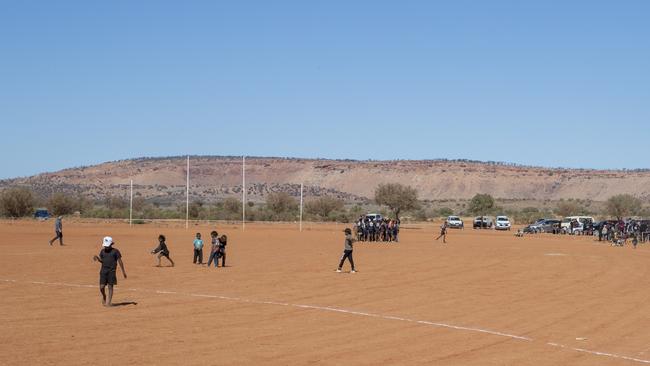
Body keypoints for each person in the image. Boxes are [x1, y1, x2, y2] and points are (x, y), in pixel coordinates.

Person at [93, 236, 126, 307]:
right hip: (103, 271)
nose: (106, 247)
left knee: (110, 287)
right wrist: (98, 258)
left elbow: (120, 261)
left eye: (107, 245)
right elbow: (103, 261)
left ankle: (109, 302)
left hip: (112, 271)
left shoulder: (116, 251)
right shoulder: (102, 251)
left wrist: (123, 272)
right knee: (101, 287)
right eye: (105, 245)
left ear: (111, 244)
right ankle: (104, 296)